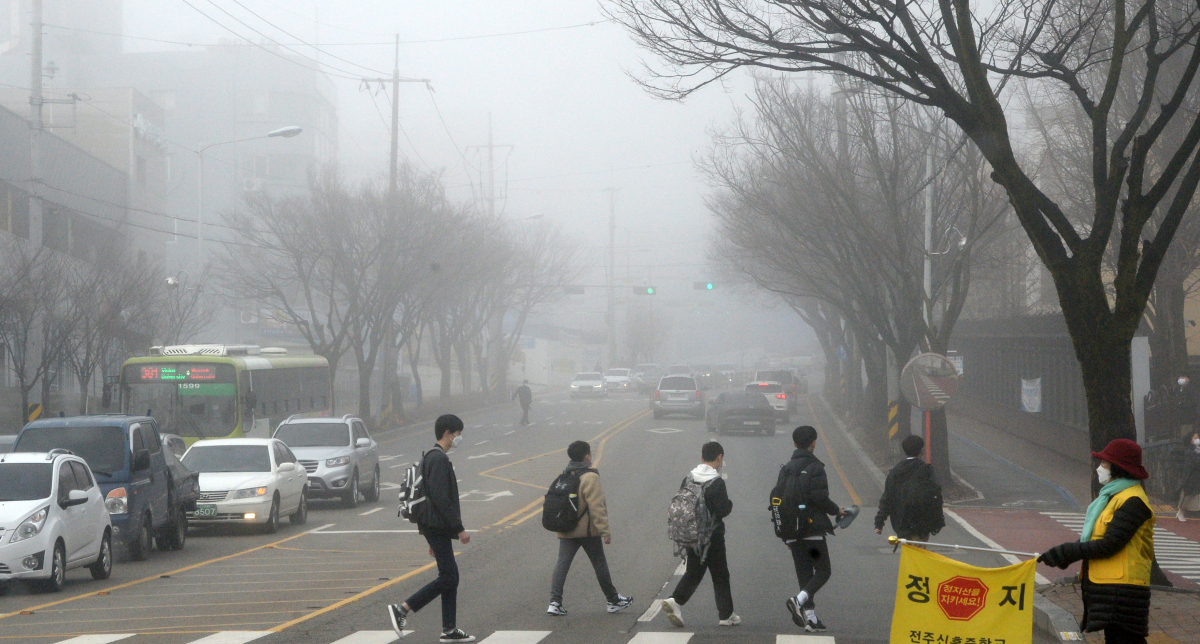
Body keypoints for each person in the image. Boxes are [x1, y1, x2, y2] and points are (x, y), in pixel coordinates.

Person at [1039, 439, 1155, 644]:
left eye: (1104, 463)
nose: (1100, 468)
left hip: (1124, 591)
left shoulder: (1133, 501)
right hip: (1111, 588)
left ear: (1118, 467)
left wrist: (1068, 552)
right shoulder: (1113, 497)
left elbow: (1109, 544)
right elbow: (1095, 538)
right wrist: (1062, 555)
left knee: (1126, 639)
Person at [388, 415, 475, 643]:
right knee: (448, 577)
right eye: (458, 433)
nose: (459, 438)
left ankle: (449, 629)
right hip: (437, 526)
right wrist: (459, 529)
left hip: (435, 528)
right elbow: (438, 498)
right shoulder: (438, 459)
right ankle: (403, 609)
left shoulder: (433, 457)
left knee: (450, 577)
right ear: (448, 433)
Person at [547, 440, 633, 616]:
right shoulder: (590, 477)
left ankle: (555, 602)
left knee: (562, 563)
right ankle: (613, 600)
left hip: (566, 528)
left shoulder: (566, 474)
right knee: (599, 563)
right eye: (590, 454)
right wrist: (605, 531)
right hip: (587, 532)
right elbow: (596, 506)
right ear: (587, 457)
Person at [661, 441, 739, 627]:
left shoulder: (689, 478)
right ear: (719, 457)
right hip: (712, 537)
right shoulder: (716, 482)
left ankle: (675, 601)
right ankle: (726, 615)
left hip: (691, 535)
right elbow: (722, 510)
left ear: (702, 457)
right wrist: (730, 504)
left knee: (694, 572)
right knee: (720, 575)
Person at [780, 425, 846, 633]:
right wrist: (837, 511)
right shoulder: (816, 467)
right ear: (814, 443)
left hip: (792, 531)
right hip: (812, 534)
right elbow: (819, 497)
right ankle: (797, 601)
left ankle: (810, 618)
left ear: (794, 443)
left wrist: (785, 535)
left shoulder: (786, 468)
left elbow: (777, 500)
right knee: (823, 570)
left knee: (805, 575)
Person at [874, 435, 943, 543]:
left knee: (909, 553)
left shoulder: (896, 471)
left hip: (901, 523)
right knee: (918, 555)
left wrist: (879, 521)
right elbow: (935, 492)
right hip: (921, 524)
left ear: (904, 450)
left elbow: (887, 497)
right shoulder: (926, 470)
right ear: (921, 451)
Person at [1177, 432, 1200, 522]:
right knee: (1188, 495)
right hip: (1191, 477)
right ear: (1190, 439)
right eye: (1195, 438)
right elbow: (1194, 464)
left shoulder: (1198, 450)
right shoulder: (1190, 451)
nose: (1197, 439)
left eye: (1198, 437)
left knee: (1195, 496)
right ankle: (1181, 511)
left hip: (1197, 476)